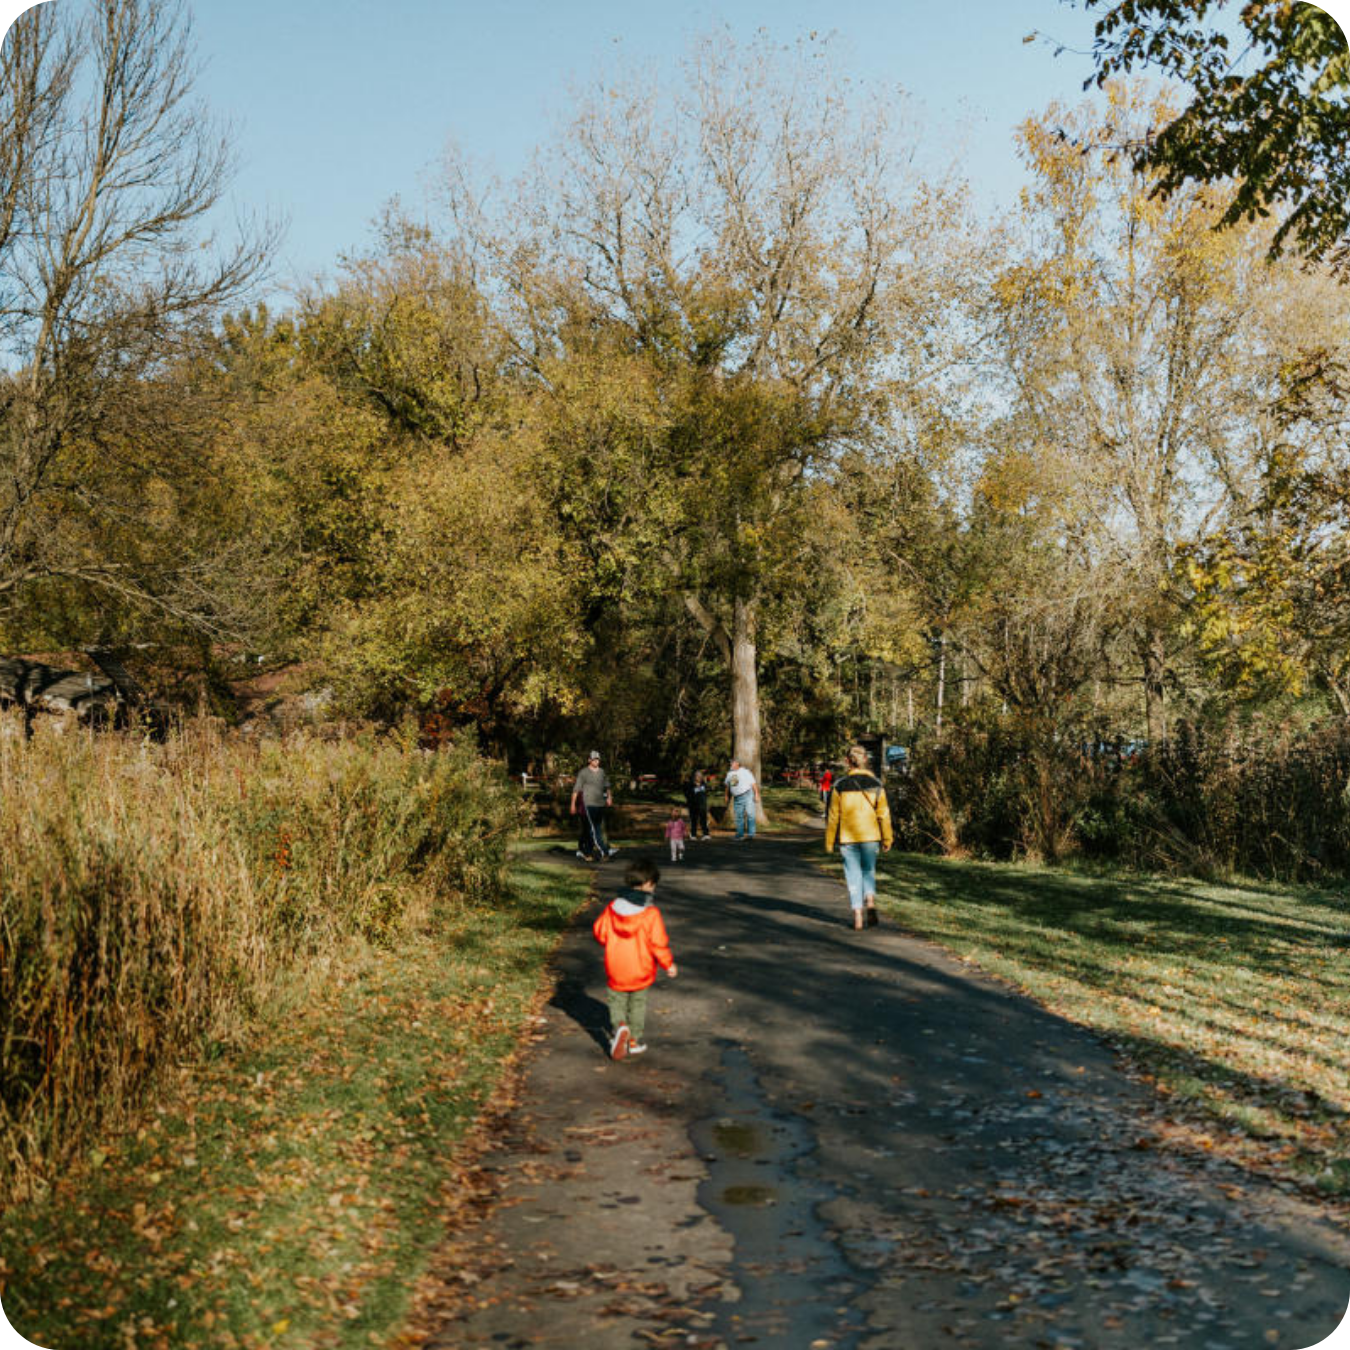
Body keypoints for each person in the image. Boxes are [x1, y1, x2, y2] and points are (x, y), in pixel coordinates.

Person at [592, 857, 678, 1059]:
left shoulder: (613, 908)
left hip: (616, 966)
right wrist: (668, 964)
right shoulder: (650, 913)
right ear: (648, 884)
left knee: (617, 1002)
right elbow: (658, 943)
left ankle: (620, 1026)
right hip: (641, 968)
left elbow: (600, 932)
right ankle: (633, 1040)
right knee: (638, 1004)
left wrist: (612, 943)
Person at [824, 744, 893, 931]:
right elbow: (884, 814)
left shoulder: (840, 785)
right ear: (865, 760)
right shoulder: (877, 785)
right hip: (871, 836)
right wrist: (887, 838)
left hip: (848, 838)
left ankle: (857, 917)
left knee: (852, 875)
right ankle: (870, 900)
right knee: (868, 870)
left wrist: (830, 841)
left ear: (848, 761)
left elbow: (833, 816)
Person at [571, 750, 617, 861]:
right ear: (589, 760)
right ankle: (605, 852)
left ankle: (587, 852)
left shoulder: (602, 772)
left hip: (600, 804)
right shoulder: (583, 773)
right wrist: (573, 804)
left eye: (598, 759)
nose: (596, 761)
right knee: (595, 829)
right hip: (588, 804)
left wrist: (610, 797)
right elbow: (576, 790)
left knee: (593, 830)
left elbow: (607, 786)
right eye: (594, 759)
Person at [724, 758, 761, 840]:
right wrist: (726, 795)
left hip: (747, 794)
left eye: (732, 763)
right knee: (739, 816)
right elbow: (727, 785)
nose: (730, 764)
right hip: (737, 797)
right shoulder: (729, 773)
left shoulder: (745, 772)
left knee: (750, 814)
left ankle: (751, 834)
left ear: (737, 764)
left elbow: (753, 783)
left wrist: (757, 794)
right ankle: (740, 834)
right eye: (730, 763)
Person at [685, 768, 710, 840]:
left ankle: (706, 834)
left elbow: (706, 794)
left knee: (703, 820)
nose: (699, 777)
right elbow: (687, 795)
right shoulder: (690, 785)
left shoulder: (704, 785)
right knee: (694, 820)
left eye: (700, 776)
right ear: (694, 777)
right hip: (693, 805)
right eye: (697, 776)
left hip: (702, 805)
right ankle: (693, 834)